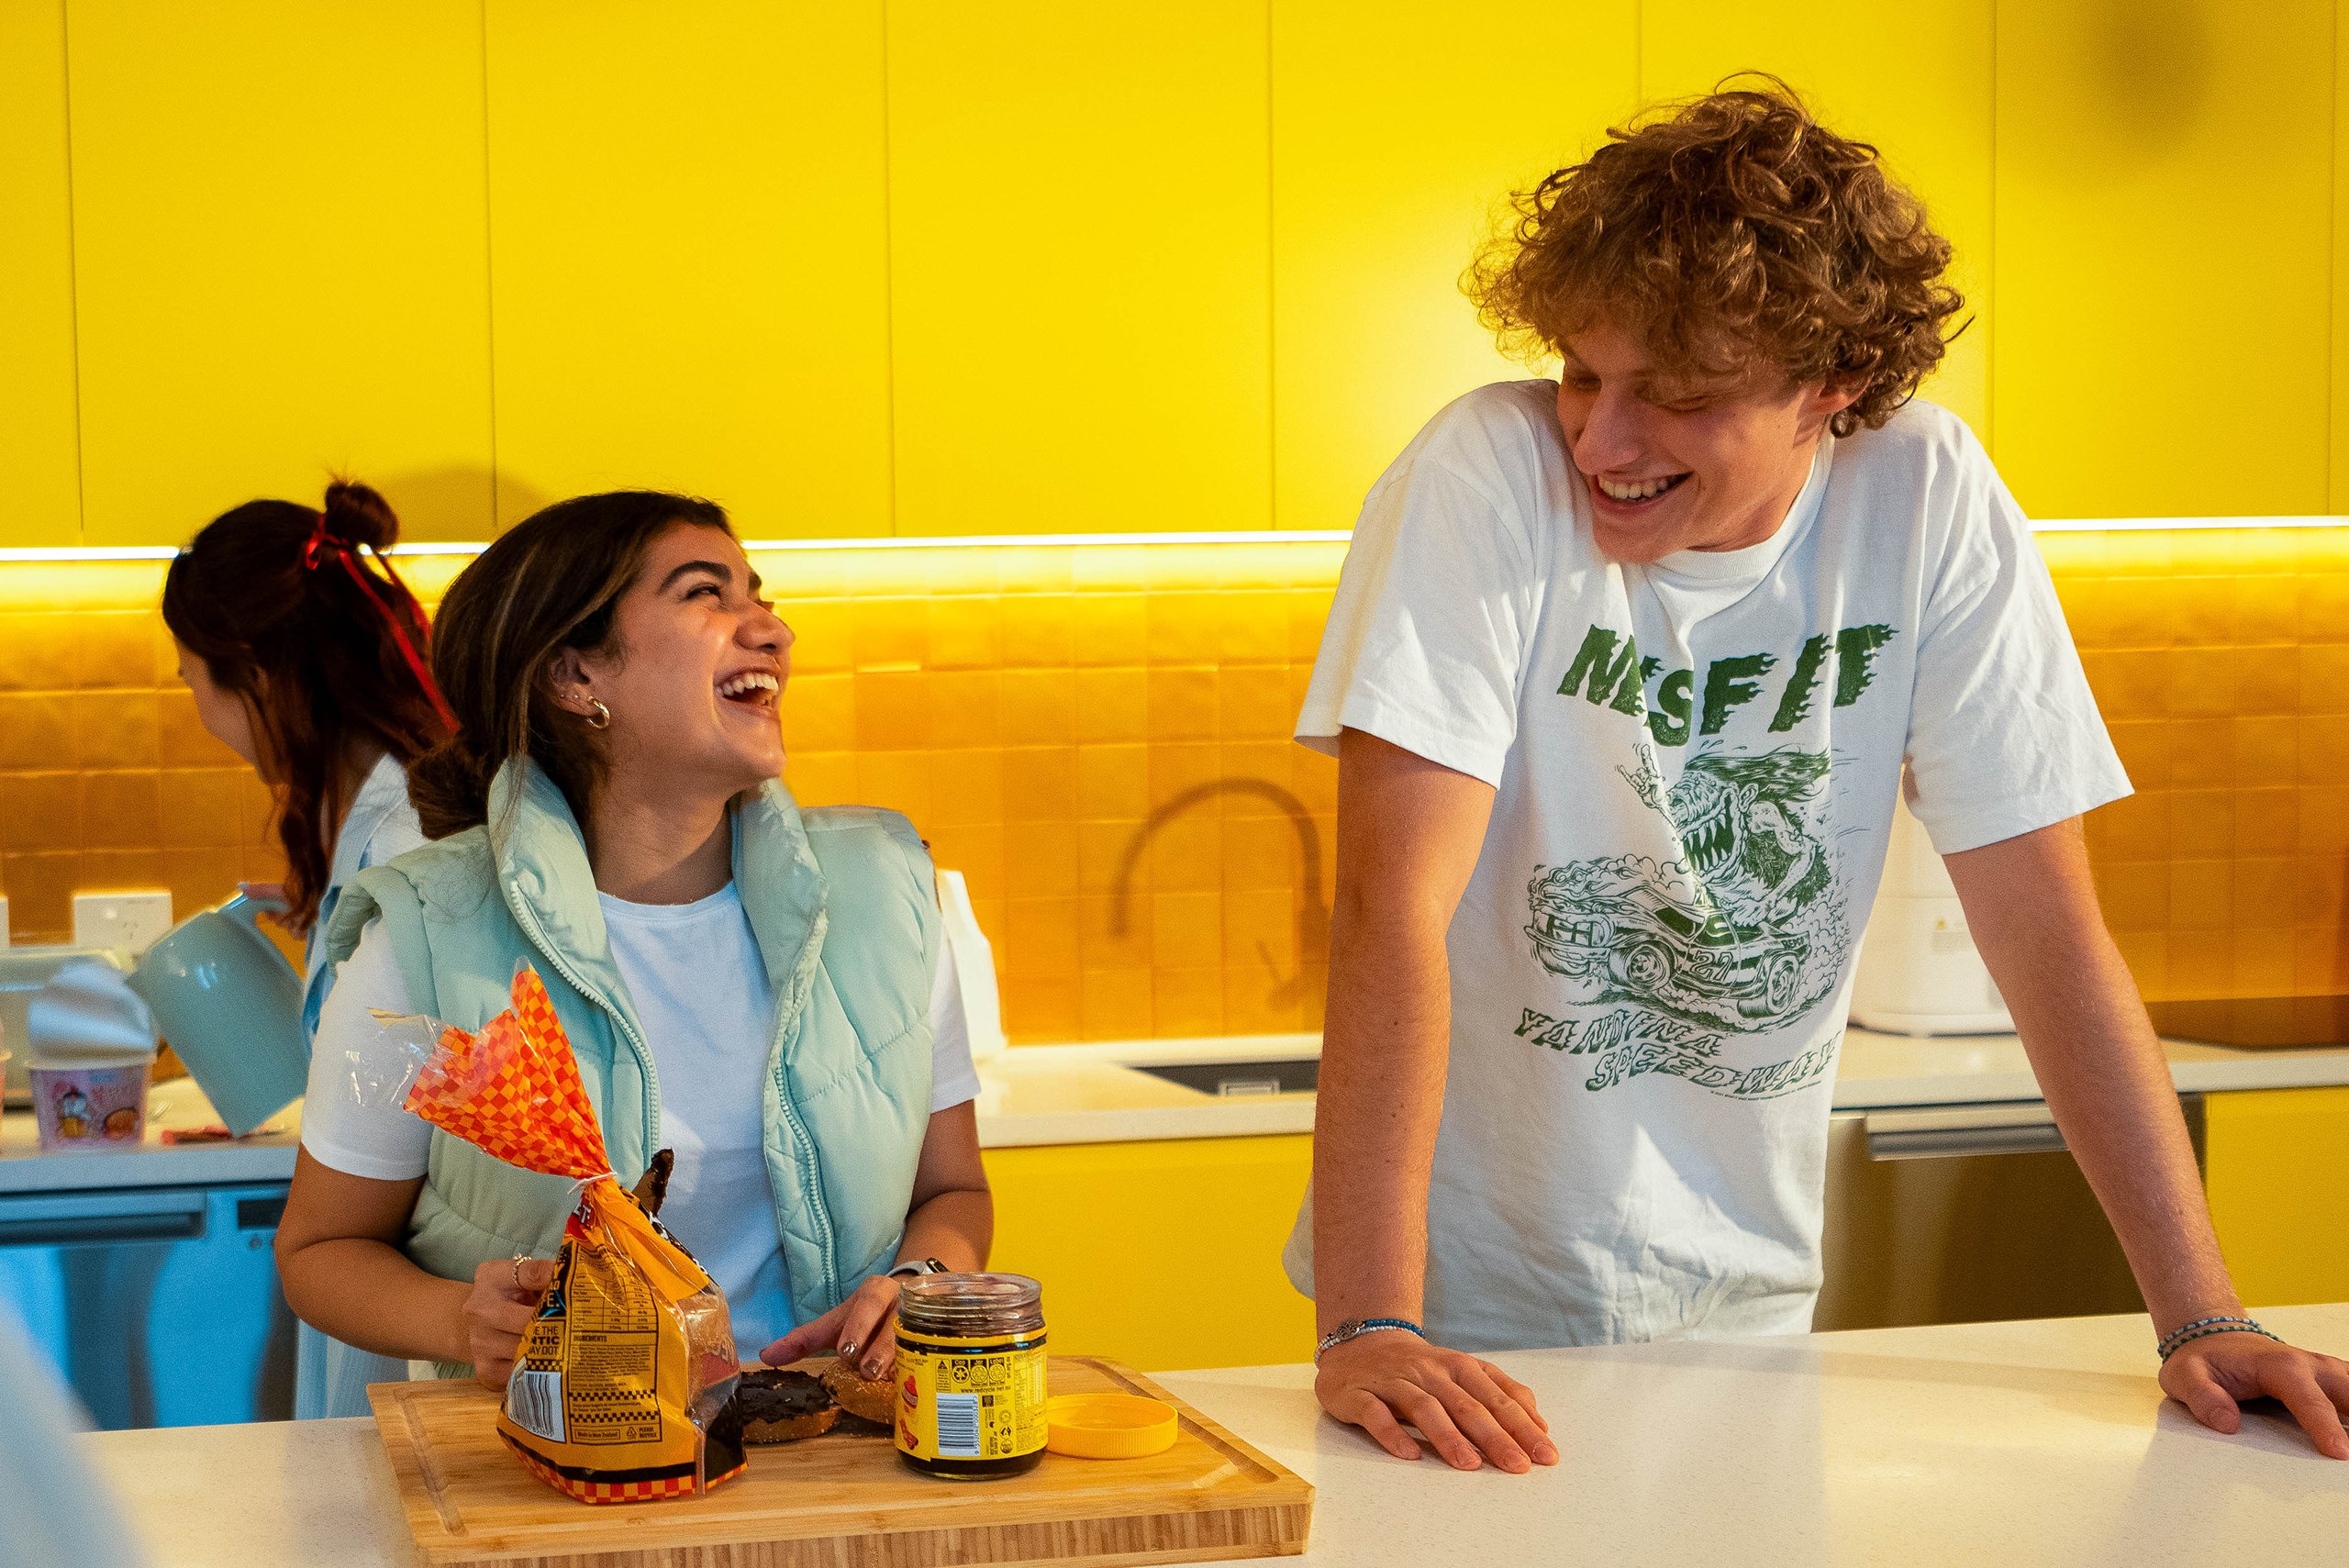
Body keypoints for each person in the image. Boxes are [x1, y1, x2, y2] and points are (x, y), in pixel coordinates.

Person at [1290, 84, 2349, 1473]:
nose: (1600, 440)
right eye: (1582, 372)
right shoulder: (1484, 476)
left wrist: (2200, 1316)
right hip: (1460, 1325)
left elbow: (2045, 931)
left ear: (1831, 383)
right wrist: (1370, 1319)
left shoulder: (1926, 497)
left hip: (1757, 1312)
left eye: (1677, 396)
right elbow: (1391, 908)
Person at [274, 491, 989, 1386]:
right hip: (560, 1473)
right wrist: (466, 1319)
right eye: (706, 593)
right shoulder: (428, 934)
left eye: (759, 594)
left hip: (834, 1445)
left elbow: (951, 1190)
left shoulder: (882, 891)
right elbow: (322, 1247)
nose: (771, 628)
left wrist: (923, 1281)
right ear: (575, 676)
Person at [161, 480, 452, 1417]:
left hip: (425, 1301)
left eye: (192, 674)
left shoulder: (407, 839)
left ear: (254, 670)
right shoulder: (386, 821)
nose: (196, 705)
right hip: (401, 1290)